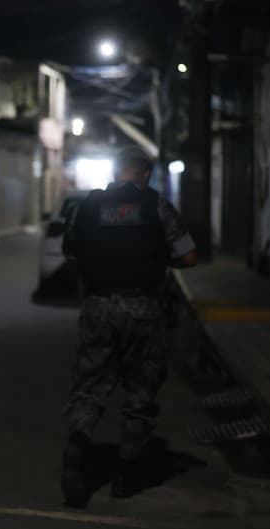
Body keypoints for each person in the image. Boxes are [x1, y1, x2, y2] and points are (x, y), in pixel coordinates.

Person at [60, 146, 198, 507]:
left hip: (98, 307)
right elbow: (189, 255)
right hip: (143, 308)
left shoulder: (86, 207)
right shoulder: (156, 206)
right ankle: (126, 472)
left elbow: (70, 250)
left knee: (89, 387)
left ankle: (78, 444)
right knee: (140, 391)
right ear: (145, 174)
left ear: (115, 171)